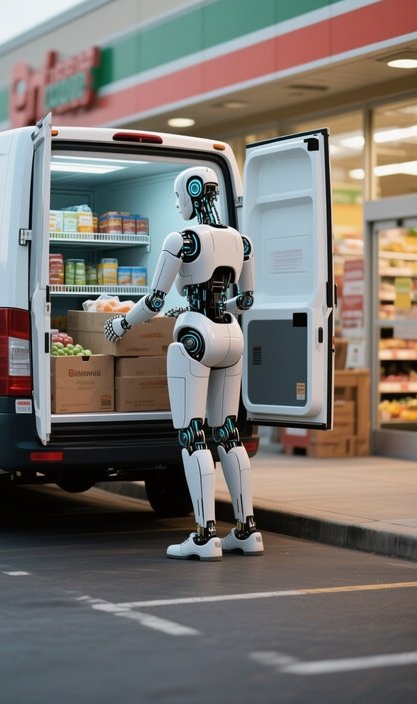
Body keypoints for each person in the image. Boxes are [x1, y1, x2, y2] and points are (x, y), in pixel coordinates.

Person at [104, 166, 263, 561]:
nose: (178, 204)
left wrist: (121, 323)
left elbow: (154, 302)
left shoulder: (183, 240)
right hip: (231, 336)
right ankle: (246, 530)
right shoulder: (241, 242)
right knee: (227, 432)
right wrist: (206, 307)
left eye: (179, 197)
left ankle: (205, 534)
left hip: (195, 337)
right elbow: (245, 302)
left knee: (192, 434)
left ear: (192, 192)